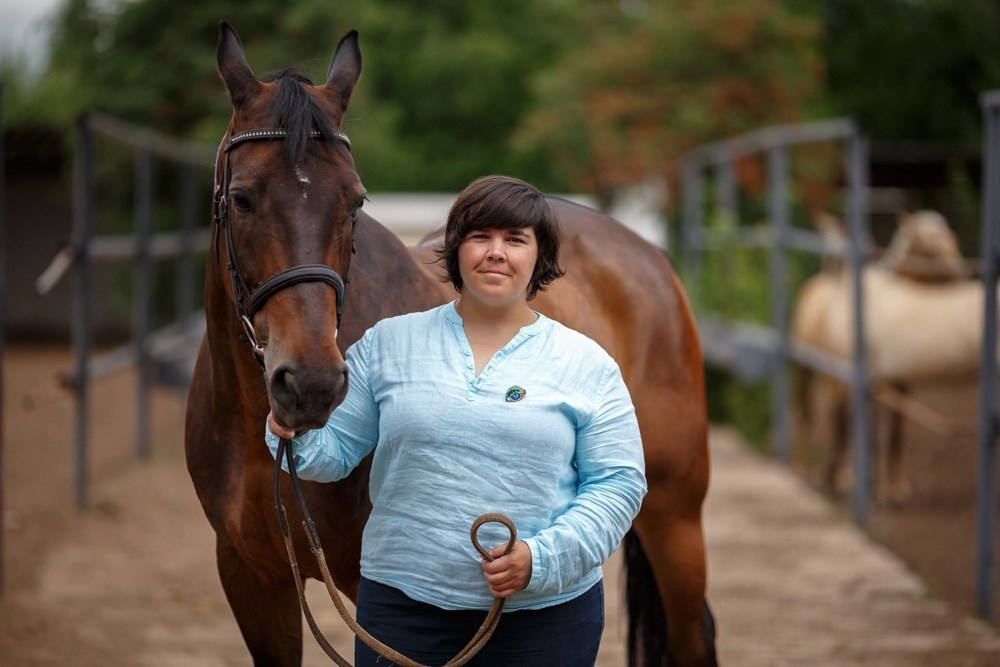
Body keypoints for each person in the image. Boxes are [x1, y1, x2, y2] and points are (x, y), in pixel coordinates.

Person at [265, 174, 646, 666]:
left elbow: (618, 483)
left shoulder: (586, 364)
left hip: (544, 620)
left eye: (515, 240)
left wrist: (543, 559)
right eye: (479, 236)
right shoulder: (387, 344)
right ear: (455, 249)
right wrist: (290, 431)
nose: (495, 252)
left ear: (539, 256)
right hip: (402, 611)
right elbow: (333, 454)